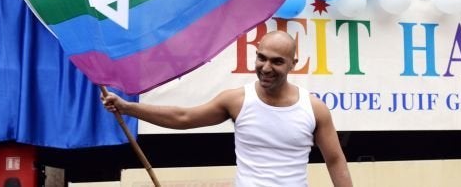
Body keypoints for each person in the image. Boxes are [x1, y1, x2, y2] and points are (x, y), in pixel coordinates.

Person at [102, 31, 353, 187]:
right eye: (261, 58)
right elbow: (183, 117)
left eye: (277, 61)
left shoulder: (314, 108)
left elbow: (334, 159)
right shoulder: (236, 101)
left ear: (292, 65)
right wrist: (127, 107)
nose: (266, 67)